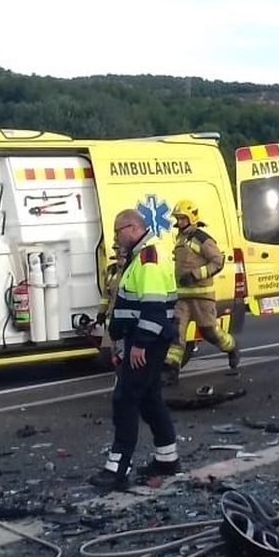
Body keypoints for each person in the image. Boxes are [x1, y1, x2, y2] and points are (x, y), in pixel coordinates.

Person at [89, 209, 179, 491]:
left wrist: (140, 344)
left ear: (132, 228)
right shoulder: (141, 258)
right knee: (150, 399)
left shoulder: (148, 260)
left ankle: (117, 468)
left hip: (146, 343)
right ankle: (167, 458)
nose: (117, 238)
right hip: (144, 341)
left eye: (117, 232)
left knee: (125, 400)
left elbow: (152, 307)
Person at [163, 198, 238, 383]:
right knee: (176, 334)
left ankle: (232, 348)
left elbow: (217, 261)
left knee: (210, 333)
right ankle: (171, 372)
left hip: (202, 297)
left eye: (182, 218)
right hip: (183, 298)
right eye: (177, 218)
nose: (178, 222)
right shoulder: (181, 238)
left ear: (192, 217)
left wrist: (196, 275)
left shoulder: (201, 238)